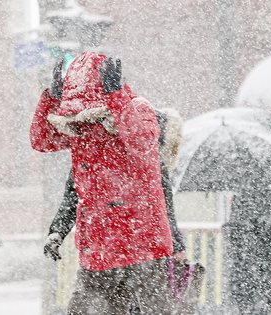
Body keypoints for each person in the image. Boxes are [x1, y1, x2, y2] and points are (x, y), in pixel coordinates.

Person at [30, 51, 176, 314]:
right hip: (98, 247)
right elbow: (42, 141)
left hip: (142, 245)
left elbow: (142, 141)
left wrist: (115, 97)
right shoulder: (82, 128)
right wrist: (50, 100)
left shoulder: (137, 108)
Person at [43, 108, 186, 314]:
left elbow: (163, 205)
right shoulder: (102, 153)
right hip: (120, 248)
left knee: (104, 303)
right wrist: (57, 230)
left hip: (119, 248)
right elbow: (74, 194)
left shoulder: (117, 153)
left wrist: (58, 230)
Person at [224, 186, 271, 314]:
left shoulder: (244, 195)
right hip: (252, 271)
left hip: (252, 270)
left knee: (254, 299)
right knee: (256, 299)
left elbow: (235, 242)